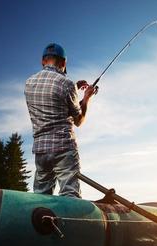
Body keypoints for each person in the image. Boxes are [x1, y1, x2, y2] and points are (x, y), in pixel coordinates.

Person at [25, 43, 97, 198]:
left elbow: (52, 100)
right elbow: (79, 120)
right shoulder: (66, 83)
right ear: (63, 63)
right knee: (70, 195)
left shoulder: (29, 83)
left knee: (41, 196)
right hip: (63, 148)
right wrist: (86, 98)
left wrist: (75, 89)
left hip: (40, 150)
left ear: (43, 61)